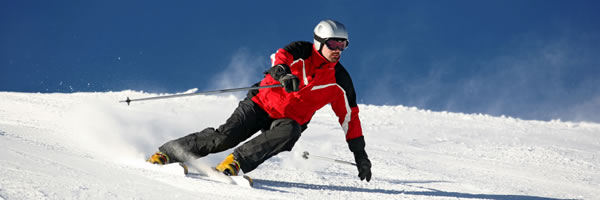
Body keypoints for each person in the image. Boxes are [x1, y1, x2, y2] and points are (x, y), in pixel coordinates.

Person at [147, 19, 372, 182]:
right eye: (333, 44)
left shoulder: (340, 81)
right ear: (319, 42)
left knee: (290, 130)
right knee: (224, 138)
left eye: (343, 45)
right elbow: (279, 57)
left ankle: (235, 163)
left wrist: (360, 155)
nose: (338, 50)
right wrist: (282, 74)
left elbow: (350, 118)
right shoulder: (300, 50)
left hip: (287, 119)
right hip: (261, 103)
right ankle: (168, 153)